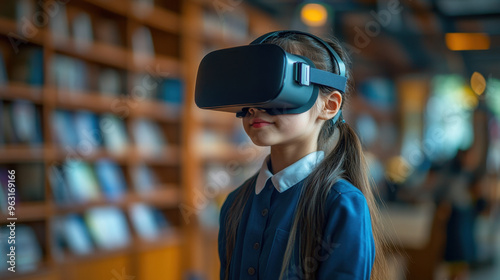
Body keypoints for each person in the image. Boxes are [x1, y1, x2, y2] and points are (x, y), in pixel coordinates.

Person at [217, 31, 389, 280]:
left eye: (276, 86)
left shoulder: (341, 205)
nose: (255, 107)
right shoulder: (235, 203)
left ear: (329, 105)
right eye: (252, 90)